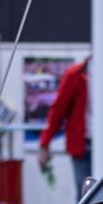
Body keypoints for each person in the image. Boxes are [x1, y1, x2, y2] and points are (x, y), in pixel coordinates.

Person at [38, 57, 91, 196]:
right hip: (83, 147)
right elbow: (58, 111)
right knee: (85, 194)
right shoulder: (75, 75)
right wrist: (44, 145)